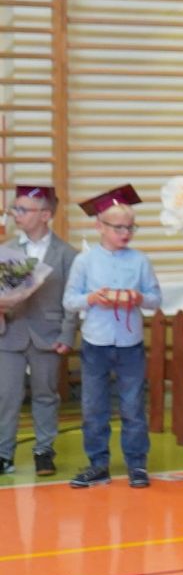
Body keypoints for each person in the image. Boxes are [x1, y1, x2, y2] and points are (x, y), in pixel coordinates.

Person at [63, 186, 162, 489]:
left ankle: (137, 464)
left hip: (130, 344)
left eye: (130, 227)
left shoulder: (140, 261)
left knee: (133, 406)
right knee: (94, 407)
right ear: (99, 226)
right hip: (96, 343)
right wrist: (91, 298)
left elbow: (155, 299)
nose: (125, 233)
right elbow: (69, 300)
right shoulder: (85, 261)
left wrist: (139, 297)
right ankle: (98, 464)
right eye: (118, 227)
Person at [0, 185, 76, 476]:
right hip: (10, 332)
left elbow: (71, 301)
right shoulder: (8, 249)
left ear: (45, 215)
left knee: (46, 394)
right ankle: (3, 453)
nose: (16, 214)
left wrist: (67, 335)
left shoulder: (66, 253)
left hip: (48, 335)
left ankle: (44, 450)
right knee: (6, 395)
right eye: (15, 208)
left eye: (23, 209)